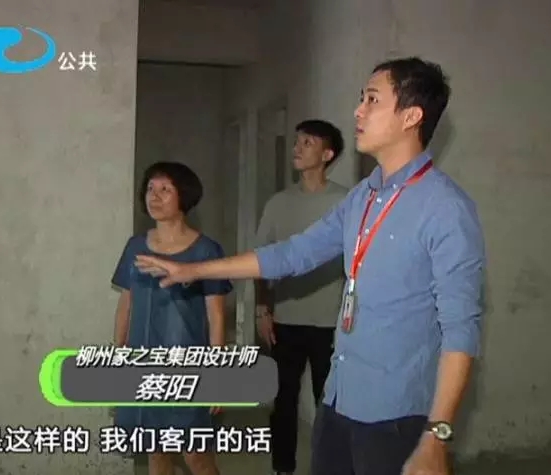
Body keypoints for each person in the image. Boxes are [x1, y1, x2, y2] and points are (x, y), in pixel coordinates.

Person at [134, 57, 485, 475]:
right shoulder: (362, 197)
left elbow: (461, 329)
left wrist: (436, 435)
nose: (358, 110)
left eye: (372, 100)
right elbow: (292, 253)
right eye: (361, 99)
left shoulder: (445, 208)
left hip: (397, 415)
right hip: (338, 401)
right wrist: (193, 271)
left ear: (411, 116)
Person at [111, 161, 232, 475]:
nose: (155, 195)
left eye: (166, 189)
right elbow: (126, 302)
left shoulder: (206, 251)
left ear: (184, 196)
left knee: (196, 456)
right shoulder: (135, 247)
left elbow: (216, 315)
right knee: (156, 452)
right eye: (151, 188)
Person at [254, 119, 348, 475]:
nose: (297, 148)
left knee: (331, 404)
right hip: (286, 320)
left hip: (332, 323)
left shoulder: (345, 202)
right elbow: (262, 260)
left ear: (327, 154)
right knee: (283, 400)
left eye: (307, 142)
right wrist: (263, 309)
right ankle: (283, 468)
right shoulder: (278, 203)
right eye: (297, 141)